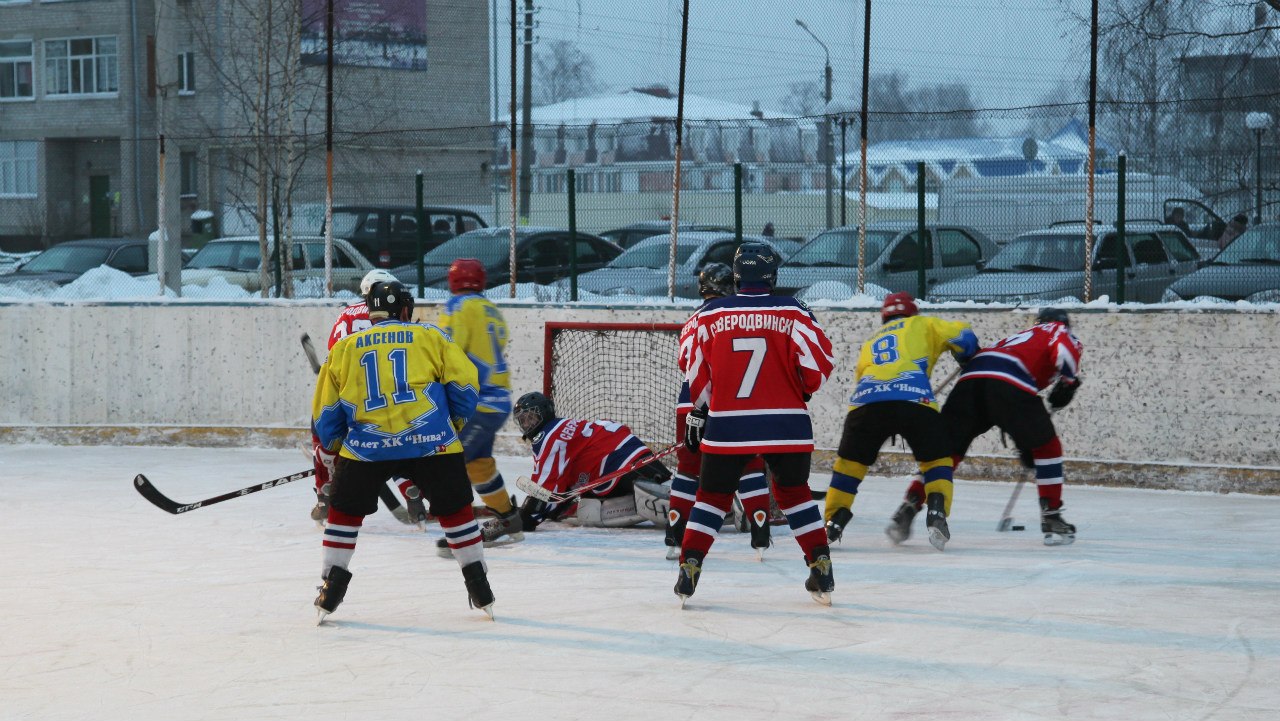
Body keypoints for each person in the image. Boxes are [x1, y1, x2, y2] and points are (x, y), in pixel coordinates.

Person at [311, 280, 494, 621]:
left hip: (367, 448)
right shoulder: (431, 336)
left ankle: (330, 587)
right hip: (433, 443)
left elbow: (325, 411)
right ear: (405, 309)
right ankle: (479, 584)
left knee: (343, 513)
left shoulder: (344, 347)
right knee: (455, 509)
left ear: (372, 312)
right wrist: (450, 426)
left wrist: (336, 446)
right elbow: (465, 387)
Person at [677, 242, 837, 606]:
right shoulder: (794, 312)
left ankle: (690, 564)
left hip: (729, 424)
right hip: (787, 422)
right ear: (772, 275)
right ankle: (820, 563)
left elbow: (689, 360)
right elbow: (820, 361)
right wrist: (803, 389)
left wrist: (700, 409)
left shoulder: (708, 314)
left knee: (712, 498)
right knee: (794, 494)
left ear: (735, 276)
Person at [896, 307, 1083, 546]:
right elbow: (1065, 352)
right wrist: (1069, 382)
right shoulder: (1057, 329)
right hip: (1010, 382)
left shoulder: (1011, 339)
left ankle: (910, 503)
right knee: (1047, 447)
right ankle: (1052, 515)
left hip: (971, 382)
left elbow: (979, 360)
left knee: (945, 452)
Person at [823, 292, 979, 552]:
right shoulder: (923, 324)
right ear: (912, 312)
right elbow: (963, 336)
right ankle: (937, 509)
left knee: (850, 465)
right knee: (937, 460)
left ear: (885, 316)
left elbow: (860, 375)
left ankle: (834, 519)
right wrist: (967, 356)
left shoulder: (872, 340)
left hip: (866, 403)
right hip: (914, 400)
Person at [668, 262, 775, 561]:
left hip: (688, 401)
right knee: (749, 465)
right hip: (729, 403)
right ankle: (760, 534)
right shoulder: (732, 315)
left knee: (688, 470)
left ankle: (674, 535)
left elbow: (684, 363)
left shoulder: (691, 320)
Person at [310, 268, 422, 528]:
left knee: (321, 431)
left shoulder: (346, 315)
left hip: (350, 393)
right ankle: (412, 491)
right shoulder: (398, 313)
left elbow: (333, 354)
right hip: (390, 394)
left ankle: (325, 492)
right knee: (395, 440)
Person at [434, 259, 522, 557]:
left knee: (451, 464)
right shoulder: (490, 308)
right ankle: (508, 519)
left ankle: (462, 535)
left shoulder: (458, 307)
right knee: (478, 464)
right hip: (497, 401)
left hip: (475, 401)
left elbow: (449, 349)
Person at [512, 391, 671, 530]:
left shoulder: (547, 436)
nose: (527, 424)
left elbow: (545, 489)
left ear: (544, 414)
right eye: (522, 421)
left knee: (671, 501)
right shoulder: (565, 427)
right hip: (633, 455)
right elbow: (557, 487)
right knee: (670, 488)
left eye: (530, 418)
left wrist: (526, 516)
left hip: (620, 463)